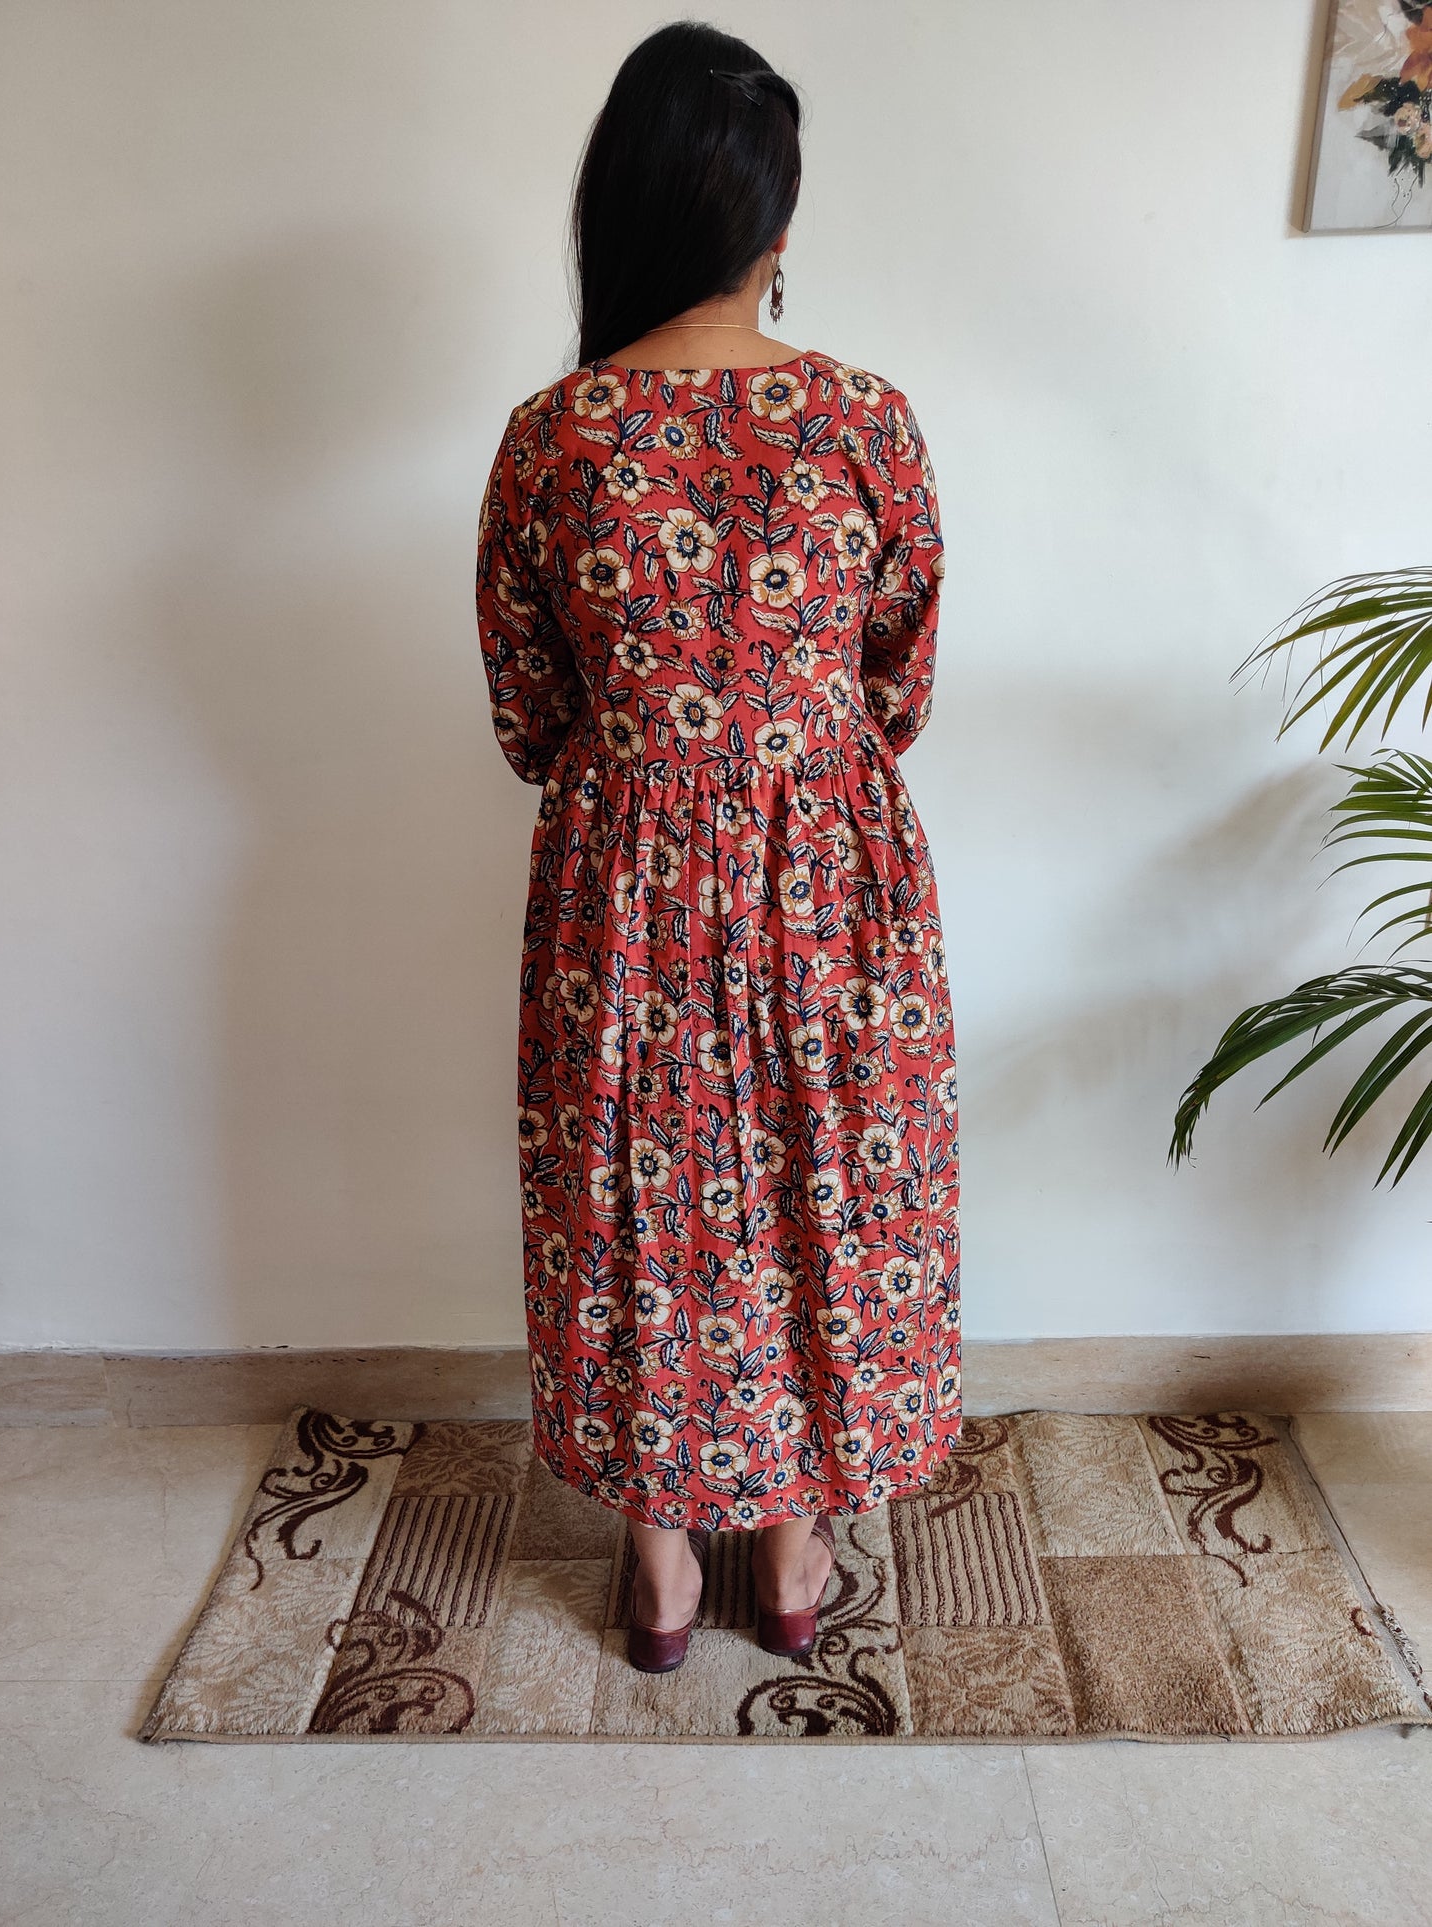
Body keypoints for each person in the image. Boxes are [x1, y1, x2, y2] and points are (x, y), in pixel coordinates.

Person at [476, 20, 960, 1673]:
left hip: (623, 876)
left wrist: (649, 766)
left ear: (618, 214)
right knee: (828, 1187)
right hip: (835, 871)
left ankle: (664, 1565)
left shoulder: (554, 440)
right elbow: (899, 668)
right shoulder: (868, 419)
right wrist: (795, 768)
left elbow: (527, 708)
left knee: (636, 1205)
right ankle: (797, 1552)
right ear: (776, 221)